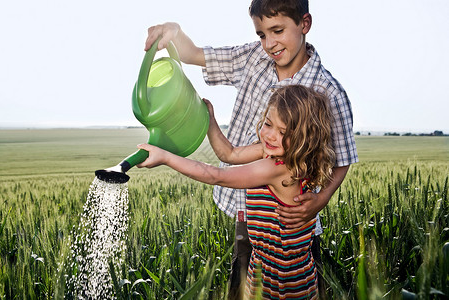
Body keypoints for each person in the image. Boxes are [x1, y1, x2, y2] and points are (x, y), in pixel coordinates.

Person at [145, 0, 358, 298]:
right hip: (250, 218)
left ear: (305, 24)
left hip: (294, 226)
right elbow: (193, 55)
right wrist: (175, 31)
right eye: (261, 34)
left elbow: (344, 159)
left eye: (278, 30)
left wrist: (320, 200)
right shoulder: (253, 58)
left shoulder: (329, 92)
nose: (269, 44)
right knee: (246, 282)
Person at [137, 85, 335, 299]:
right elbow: (229, 153)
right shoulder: (273, 152)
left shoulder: (279, 169)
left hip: (286, 281)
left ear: (303, 139)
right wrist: (210, 120)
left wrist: (166, 157)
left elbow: (217, 176)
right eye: (268, 124)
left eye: (283, 132)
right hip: (261, 268)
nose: (270, 135)